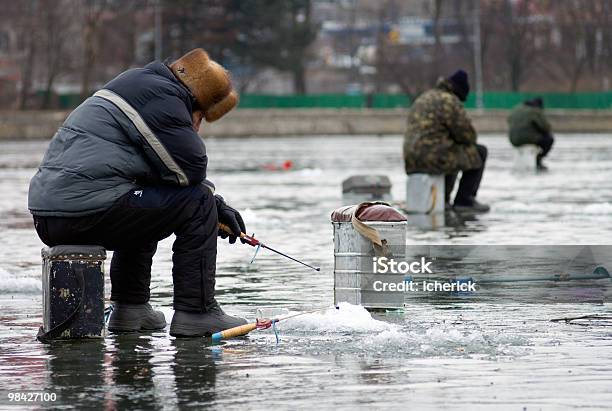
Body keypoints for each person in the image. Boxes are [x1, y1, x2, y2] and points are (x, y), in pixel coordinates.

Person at [28, 48, 248, 337]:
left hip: (51, 216)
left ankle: (130, 308)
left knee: (146, 200)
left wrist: (215, 204)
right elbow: (192, 167)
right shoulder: (164, 98)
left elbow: (164, 177)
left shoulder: (140, 84)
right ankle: (197, 312)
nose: (197, 127)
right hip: (84, 210)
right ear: (197, 102)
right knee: (197, 202)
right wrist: (213, 205)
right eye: (201, 118)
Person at [403, 69, 489, 212]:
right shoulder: (449, 101)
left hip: (411, 161)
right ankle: (464, 200)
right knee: (479, 151)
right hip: (434, 158)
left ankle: (444, 200)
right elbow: (468, 137)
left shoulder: (423, 97)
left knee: (450, 151)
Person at [507, 97, 554, 171]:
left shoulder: (516, 109)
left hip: (513, 140)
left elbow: (509, 121)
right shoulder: (535, 111)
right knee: (549, 139)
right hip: (527, 139)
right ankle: (538, 160)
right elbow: (545, 127)